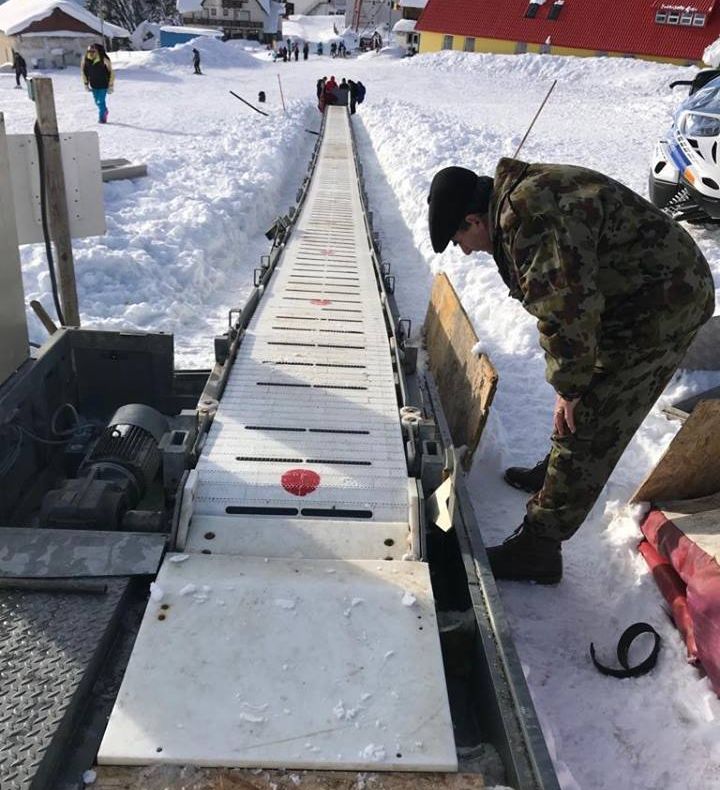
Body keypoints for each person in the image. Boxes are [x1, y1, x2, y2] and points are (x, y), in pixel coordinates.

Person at [427, 160, 715, 584]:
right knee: (578, 404)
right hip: (636, 292)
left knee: (589, 420)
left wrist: (572, 387)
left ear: (474, 218)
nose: (466, 249)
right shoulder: (517, 201)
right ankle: (555, 475)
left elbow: (566, 313)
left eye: (460, 239)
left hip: (662, 305)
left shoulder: (530, 219)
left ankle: (540, 547)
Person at [82, 43, 114, 124]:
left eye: (93, 51)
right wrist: (86, 84)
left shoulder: (104, 59)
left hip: (104, 84)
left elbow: (111, 72)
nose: (91, 53)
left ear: (97, 51)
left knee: (101, 101)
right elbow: (84, 72)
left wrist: (110, 85)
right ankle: (105, 111)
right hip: (94, 85)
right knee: (97, 102)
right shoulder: (86, 60)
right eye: (89, 51)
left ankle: (102, 119)